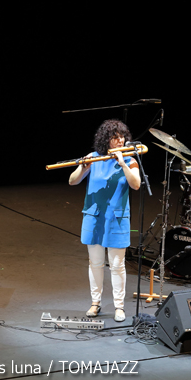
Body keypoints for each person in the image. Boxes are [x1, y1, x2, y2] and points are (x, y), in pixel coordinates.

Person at [69, 119, 141, 322]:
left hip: (116, 218)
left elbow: (136, 184)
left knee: (117, 265)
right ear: (106, 139)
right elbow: (72, 181)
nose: (120, 141)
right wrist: (83, 167)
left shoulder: (130, 159)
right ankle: (95, 303)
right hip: (95, 217)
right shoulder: (94, 158)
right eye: (115, 137)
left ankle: (119, 306)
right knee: (95, 263)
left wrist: (122, 163)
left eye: (122, 137)